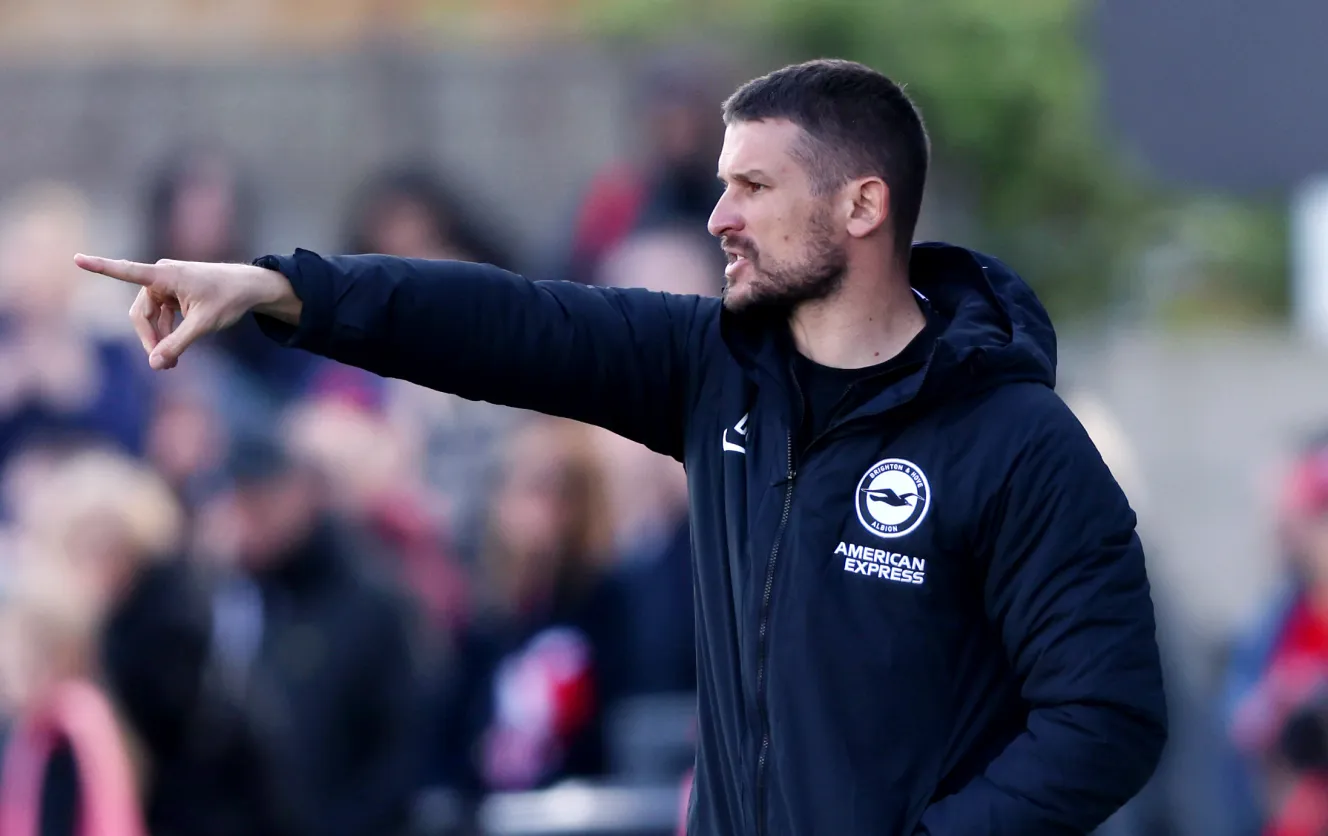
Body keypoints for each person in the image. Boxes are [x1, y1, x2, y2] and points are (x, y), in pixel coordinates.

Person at [74, 58, 1167, 836]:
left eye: (752, 187)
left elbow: (1106, 714)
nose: (717, 216)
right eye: (720, 183)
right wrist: (285, 289)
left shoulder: (1016, 439)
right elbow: (507, 323)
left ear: (861, 204)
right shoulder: (713, 368)